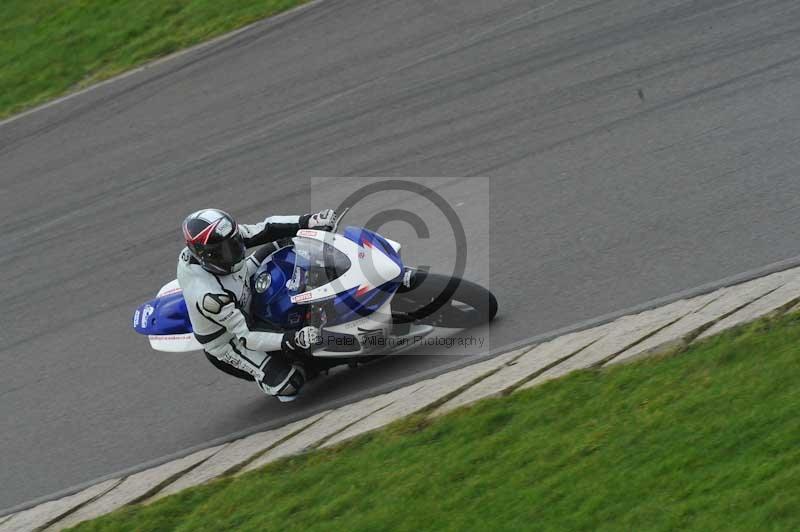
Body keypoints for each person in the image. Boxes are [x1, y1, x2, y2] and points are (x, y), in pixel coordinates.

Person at [177, 208, 337, 402]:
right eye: (225, 251)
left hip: (241, 281)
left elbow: (266, 228)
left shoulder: (225, 238)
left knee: (284, 244)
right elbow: (247, 335)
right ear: (207, 256)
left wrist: (309, 221)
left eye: (235, 243)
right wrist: (294, 339)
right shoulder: (209, 296)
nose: (235, 251)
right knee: (290, 383)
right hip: (230, 339)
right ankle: (296, 363)